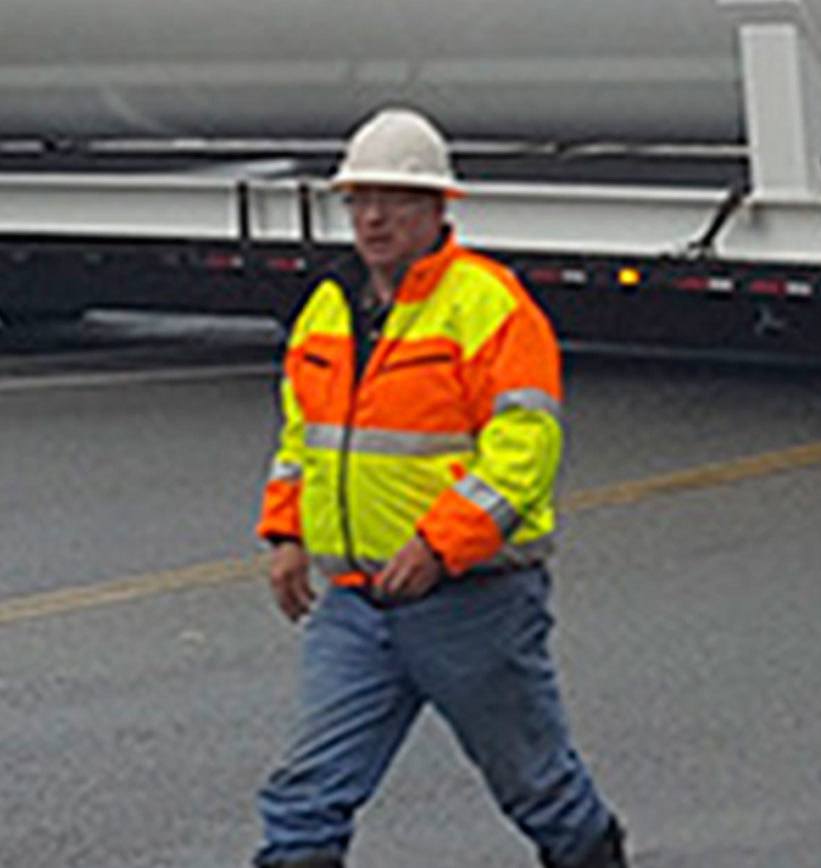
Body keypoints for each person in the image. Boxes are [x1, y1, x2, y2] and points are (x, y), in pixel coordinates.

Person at [252, 107, 627, 868]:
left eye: (394, 198)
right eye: (359, 199)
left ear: (437, 208)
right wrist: (287, 534)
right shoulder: (328, 308)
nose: (374, 216)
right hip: (357, 599)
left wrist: (439, 544)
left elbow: (524, 448)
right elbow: (302, 437)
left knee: (539, 789)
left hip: (473, 601)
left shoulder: (489, 305)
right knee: (304, 797)